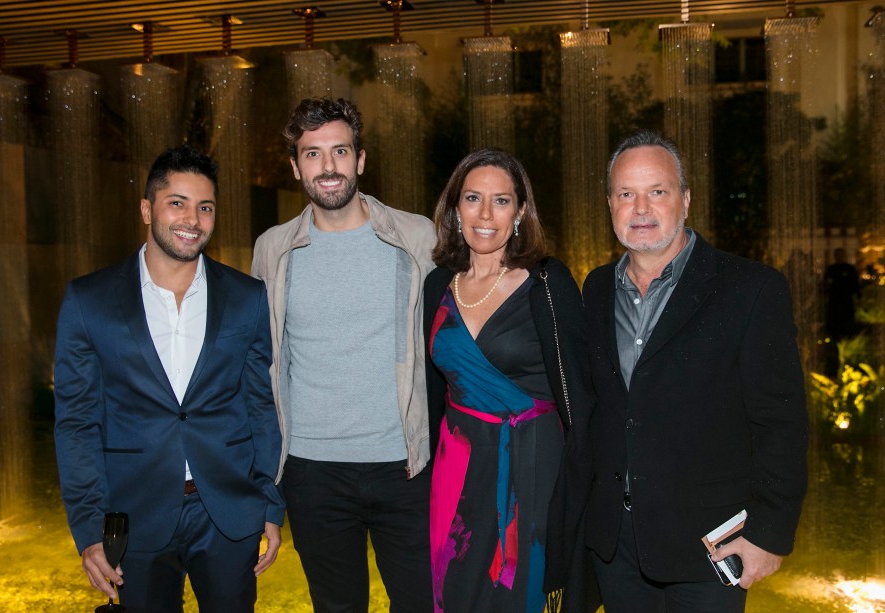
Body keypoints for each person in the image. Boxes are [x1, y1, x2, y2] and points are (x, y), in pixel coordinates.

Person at [581, 129, 809, 612]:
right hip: (616, 548)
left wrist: (768, 535)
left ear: (684, 200)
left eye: (657, 192)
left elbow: (782, 424)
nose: (641, 208)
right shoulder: (596, 288)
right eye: (626, 194)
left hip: (710, 550)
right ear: (610, 204)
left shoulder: (750, 290)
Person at [54, 145, 285, 613]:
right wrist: (87, 527)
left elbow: (261, 406)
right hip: (133, 514)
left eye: (205, 207)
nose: (192, 219)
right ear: (147, 208)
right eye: (177, 202)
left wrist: (269, 504)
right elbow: (76, 422)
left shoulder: (246, 297)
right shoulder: (88, 300)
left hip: (225, 512)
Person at [251, 97, 435, 612]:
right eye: (312, 154)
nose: (327, 167)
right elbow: (262, 363)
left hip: (406, 466)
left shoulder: (417, 236)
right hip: (313, 471)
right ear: (294, 166)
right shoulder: (272, 249)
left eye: (339, 151)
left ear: (360, 159)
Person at [424, 148, 596, 612]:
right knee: (455, 589)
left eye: (501, 201)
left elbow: (581, 393)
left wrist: (584, 492)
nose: (484, 214)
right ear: (454, 208)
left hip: (531, 468)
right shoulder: (438, 284)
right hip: (456, 467)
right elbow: (432, 392)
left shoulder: (547, 283)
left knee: (517, 594)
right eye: (472, 198)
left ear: (520, 211)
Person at [824, 247, 861, 341]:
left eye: (841, 254)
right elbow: (825, 284)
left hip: (847, 299)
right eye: (837, 255)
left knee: (847, 319)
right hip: (834, 300)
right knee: (834, 320)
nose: (839, 257)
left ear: (844, 256)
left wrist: (858, 296)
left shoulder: (849, 269)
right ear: (834, 256)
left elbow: (855, 284)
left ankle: (848, 339)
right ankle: (835, 339)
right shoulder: (831, 269)